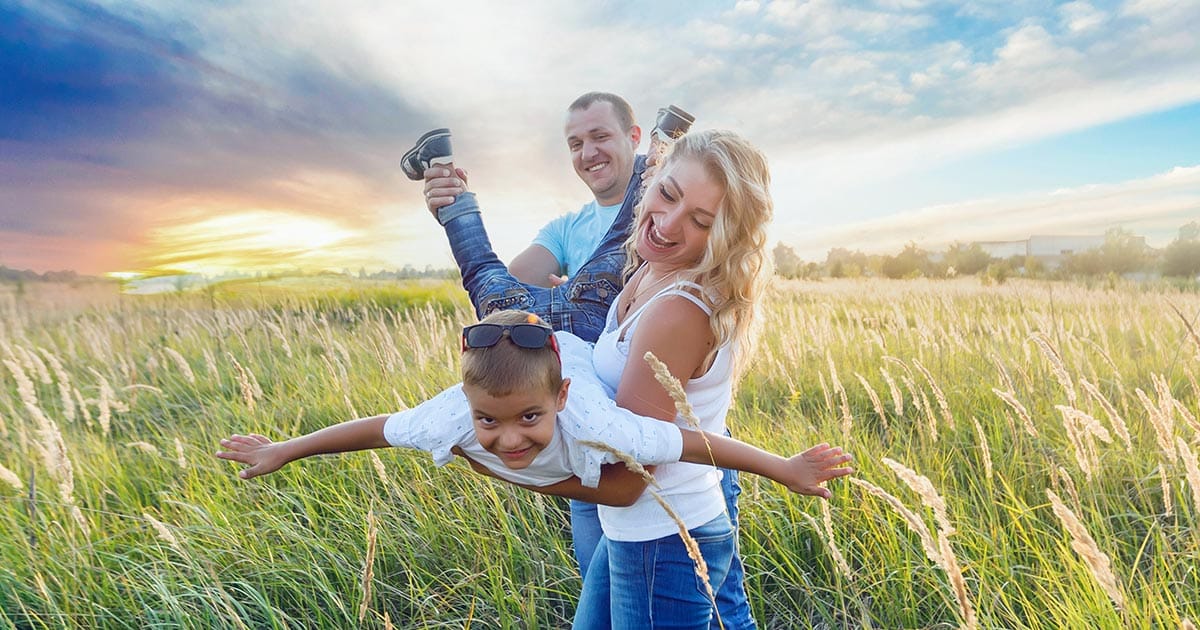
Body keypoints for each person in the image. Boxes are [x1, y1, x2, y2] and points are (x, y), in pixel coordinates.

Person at [410, 94, 762, 629]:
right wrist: (453, 211)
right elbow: (509, 294)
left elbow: (632, 477)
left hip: (664, 487)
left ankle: (450, 187)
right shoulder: (593, 236)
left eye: (601, 137)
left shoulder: (667, 253)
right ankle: (449, 188)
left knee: (711, 606)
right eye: (576, 142)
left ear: (638, 143)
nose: (588, 152)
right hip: (599, 441)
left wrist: (488, 458)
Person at [214, 309, 853, 508]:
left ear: (559, 404)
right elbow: (375, 429)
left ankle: (544, 310)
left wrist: (783, 467)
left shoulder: (592, 420)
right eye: (488, 420)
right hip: (531, 352)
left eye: (528, 418)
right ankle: (515, 303)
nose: (510, 438)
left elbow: (691, 443)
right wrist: (282, 450)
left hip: (567, 349)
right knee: (489, 278)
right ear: (468, 405)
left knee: (568, 309)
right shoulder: (450, 416)